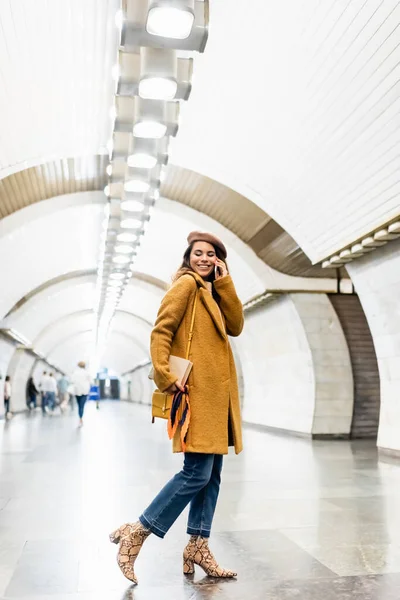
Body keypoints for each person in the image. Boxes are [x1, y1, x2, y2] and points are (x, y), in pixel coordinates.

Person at [110, 231, 244, 584]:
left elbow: (236, 326)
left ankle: (198, 544)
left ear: (219, 261)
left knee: (211, 475)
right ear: (188, 256)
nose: (204, 258)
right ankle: (137, 530)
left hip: (217, 399)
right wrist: (165, 376)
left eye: (211, 254)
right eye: (198, 253)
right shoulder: (185, 285)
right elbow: (161, 331)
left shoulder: (212, 293)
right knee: (196, 473)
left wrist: (225, 283)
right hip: (197, 394)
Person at [71, 361, 92, 426]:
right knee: (82, 406)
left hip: (77, 391)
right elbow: (91, 381)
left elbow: (72, 381)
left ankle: (80, 418)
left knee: (79, 405)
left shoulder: (75, 373)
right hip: (84, 391)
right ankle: (80, 418)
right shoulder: (87, 373)